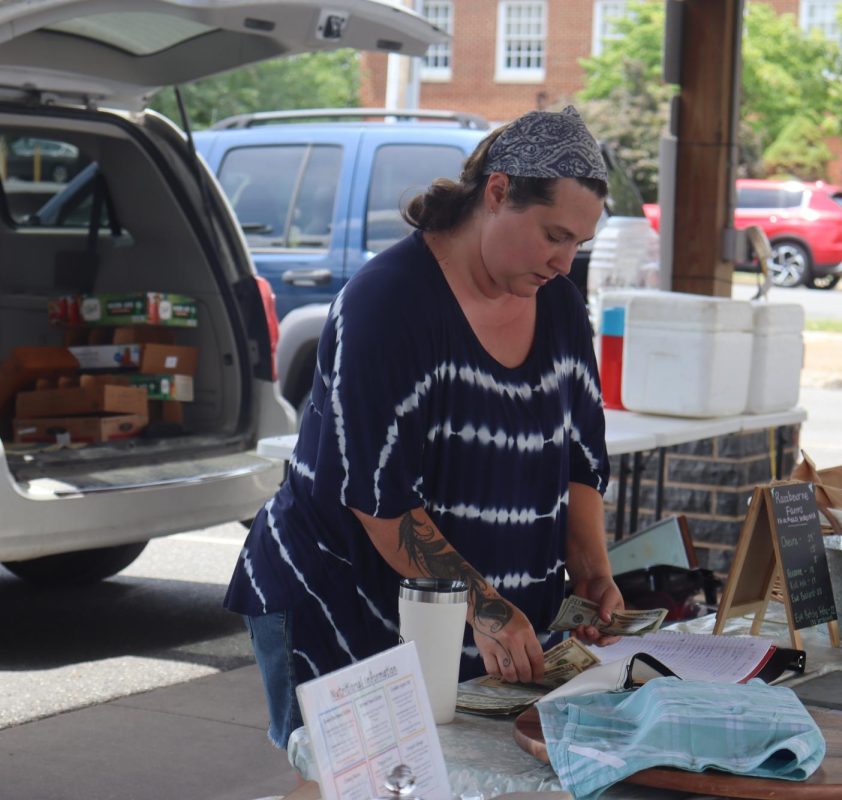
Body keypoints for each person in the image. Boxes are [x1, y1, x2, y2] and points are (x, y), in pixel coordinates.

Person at [225, 107, 625, 748]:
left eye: (579, 243)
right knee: (364, 779)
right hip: (346, 597)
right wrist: (488, 608)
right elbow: (382, 503)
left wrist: (592, 571)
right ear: (497, 192)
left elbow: (581, 459)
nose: (563, 261)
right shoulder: (387, 304)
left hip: (471, 614)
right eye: (554, 235)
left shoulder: (561, 307)